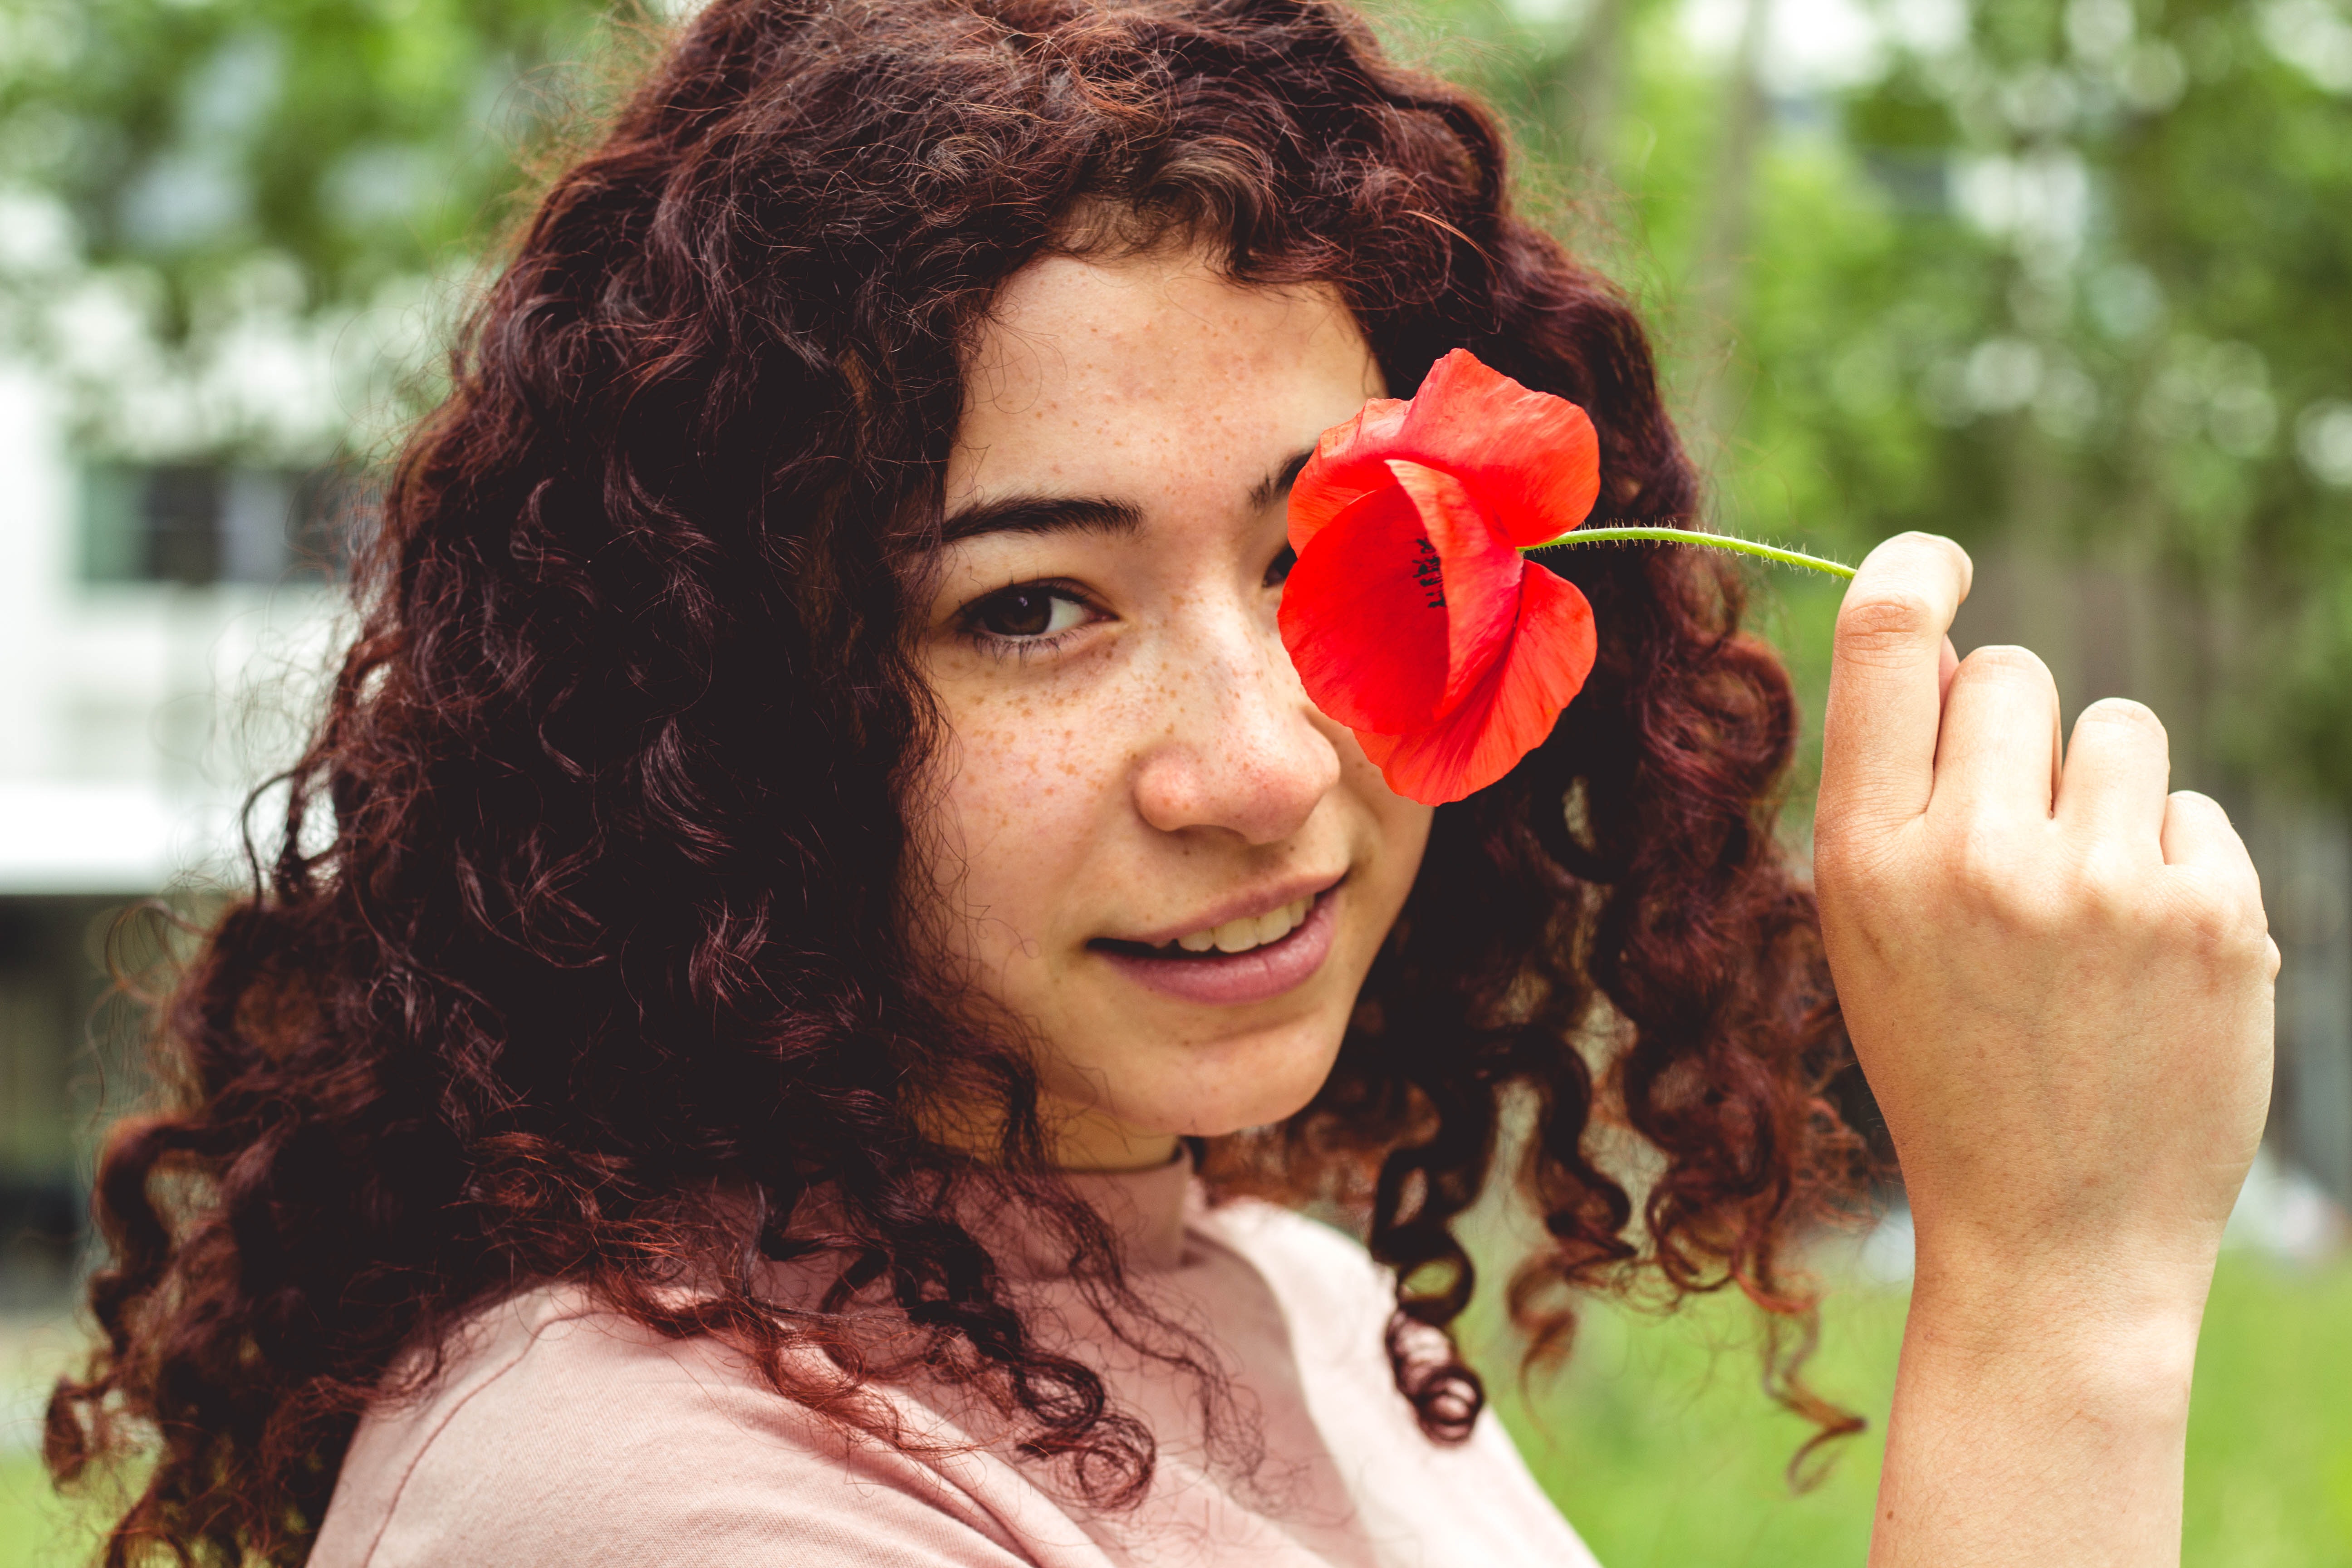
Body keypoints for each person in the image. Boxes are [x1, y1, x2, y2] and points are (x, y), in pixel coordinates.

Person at [44, 0, 2275, 1562]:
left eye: (1334, 555)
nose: (1266, 757)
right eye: (1033, 607)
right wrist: (2057, 1307)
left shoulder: (1303, 1308)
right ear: (727, 715)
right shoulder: (641, 1491)